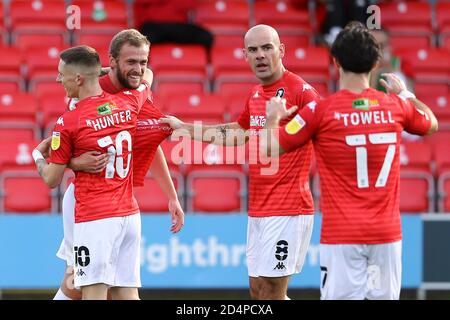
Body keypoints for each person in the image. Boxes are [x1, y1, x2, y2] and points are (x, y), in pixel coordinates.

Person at [261, 22, 438, 300]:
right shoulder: (396, 107)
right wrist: (406, 93)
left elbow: (270, 149)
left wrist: (272, 118)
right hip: (387, 235)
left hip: (341, 236)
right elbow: (431, 124)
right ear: (375, 62)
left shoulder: (319, 111)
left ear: (335, 61)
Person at [161, 24, 320, 300]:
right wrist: (184, 128)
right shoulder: (256, 94)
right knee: (258, 291)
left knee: (271, 292)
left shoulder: (302, 92)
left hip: (288, 207)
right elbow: (237, 133)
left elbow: (326, 131)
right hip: (259, 208)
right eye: (253, 50)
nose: (260, 55)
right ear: (244, 56)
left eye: (267, 47)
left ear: (281, 50)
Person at [52, 29, 184, 300]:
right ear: (112, 62)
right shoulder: (86, 96)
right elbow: (63, 150)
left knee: (105, 286)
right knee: (79, 280)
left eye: (143, 62)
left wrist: (171, 196)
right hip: (88, 202)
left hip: (121, 203)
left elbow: (148, 143)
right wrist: (75, 162)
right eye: (131, 62)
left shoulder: (136, 94)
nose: (138, 69)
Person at [33, 45, 155, 300]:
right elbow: (147, 76)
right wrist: (98, 70)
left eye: (61, 74)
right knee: (127, 295)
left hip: (96, 218)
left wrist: (38, 155)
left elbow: (51, 179)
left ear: (78, 78)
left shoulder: (68, 121)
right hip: (129, 215)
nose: (58, 79)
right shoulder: (129, 102)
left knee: (91, 294)